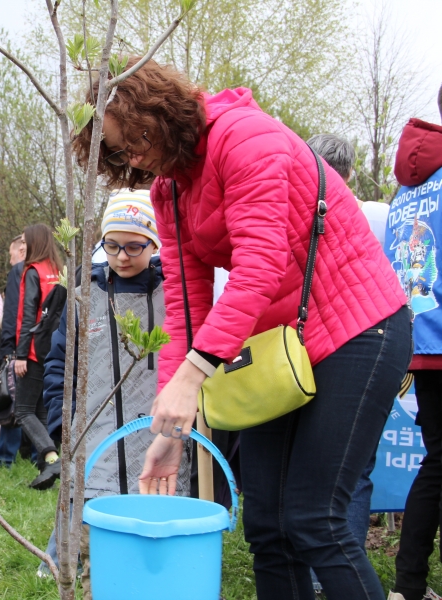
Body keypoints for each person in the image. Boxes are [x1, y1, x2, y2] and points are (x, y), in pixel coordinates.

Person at [73, 58, 409, 599]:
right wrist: (169, 430)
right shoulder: (170, 190)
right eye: (119, 151)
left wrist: (194, 377)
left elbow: (260, 266)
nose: (131, 157)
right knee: (269, 528)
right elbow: (185, 305)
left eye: (131, 140)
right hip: (287, 349)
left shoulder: (245, 137)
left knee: (315, 519)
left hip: (358, 331)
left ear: (154, 112)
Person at [40, 189, 190, 592]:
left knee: (154, 557)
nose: (122, 256)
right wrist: (62, 425)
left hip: (157, 452)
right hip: (96, 454)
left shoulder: (174, 295)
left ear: (154, 244)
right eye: (112, 245)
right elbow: (59, 365)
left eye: (134, 246)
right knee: (97, 563)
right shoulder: (82, 297)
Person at [307, 132, 390, 598]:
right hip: (368, 344)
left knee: (304, 473)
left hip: (300, 355)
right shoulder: (377, 214)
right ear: (352, 173)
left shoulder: (296, 206)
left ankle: (306, 567)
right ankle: (331, 574)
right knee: (354, 471)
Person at [388, 85, 442, 600]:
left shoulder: (410, 187)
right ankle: (409, 583)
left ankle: (408, 584)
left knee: (437, 462)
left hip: (417, 334)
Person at [14, 223, 64, 490]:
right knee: (42, 412)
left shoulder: (32, 272)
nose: (22, 246)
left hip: (34, 349)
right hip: (55, 348)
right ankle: (48, 470)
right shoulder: (56, 270)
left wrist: (20, 354)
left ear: (35, 242)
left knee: (22, 411)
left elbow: (27, 316)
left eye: (25, 241)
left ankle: (51, 456)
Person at [0, 233, 28, 468]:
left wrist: (8, 349)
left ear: (22, 251)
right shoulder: (50, 271)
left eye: (11, 254)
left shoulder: (19, 273)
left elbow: (12, 314)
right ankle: (35, 454)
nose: (10, 260)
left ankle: (5, 457)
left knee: (11, 400)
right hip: (37, 348)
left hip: (18, 348)